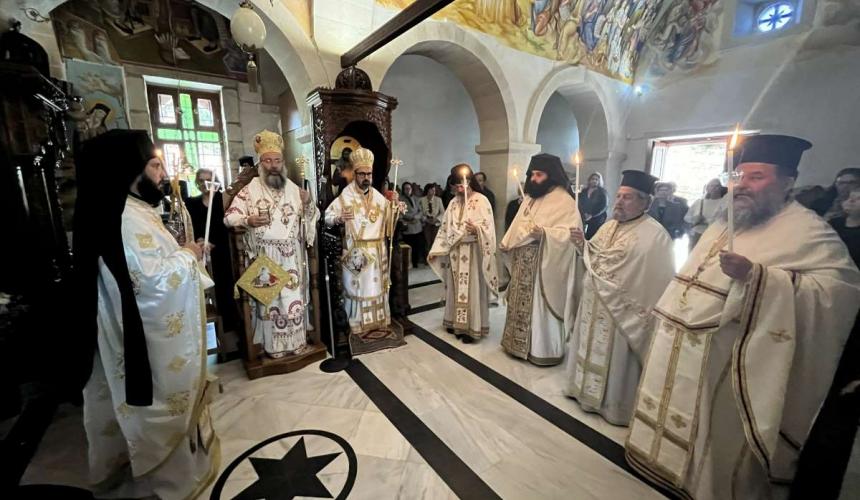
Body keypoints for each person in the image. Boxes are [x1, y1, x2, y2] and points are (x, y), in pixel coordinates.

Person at [625, 135, 860, 500]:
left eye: (757, 176)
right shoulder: (727, 221)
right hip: (683, 341)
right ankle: (662, 467)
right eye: (739, 175)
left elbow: (841, 294)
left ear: (788, 182)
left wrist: (758, 277)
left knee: (716, 436)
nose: (742, 185)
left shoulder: (808, 231)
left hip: (732, 355)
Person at [74, 130, 219, 499]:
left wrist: (186, 253)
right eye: (155, 165)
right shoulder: (124, 218)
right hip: (142, 336)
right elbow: (148, 285)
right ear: (130, 171)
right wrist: (188, 256)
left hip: (137, 326)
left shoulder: (135, 209)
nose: (163, 174)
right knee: (154, 405)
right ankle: (168, 479)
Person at [564, 170, 675, 425]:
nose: (619, 202)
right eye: (618, 196)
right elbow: (595, 256)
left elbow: (649, 279)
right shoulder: (608, 226)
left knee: (615, 358)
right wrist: (582, 245)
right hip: (595, 304)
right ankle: (581, 390)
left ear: (645, 202)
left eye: (627, 197)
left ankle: (612, 405)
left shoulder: (655, 236)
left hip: (620, 311)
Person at [790, 186, 860, 500]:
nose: (850, 199)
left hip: (853, 348)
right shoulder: (831, 229)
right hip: (821, 330)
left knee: (833, 428)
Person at [224, 130, 319, 358]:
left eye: (277, 160)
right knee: (271, 303)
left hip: (293, 257)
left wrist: (308, 203)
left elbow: (312, 216)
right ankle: (273, 348)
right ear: (260, 163)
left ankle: (297, 343)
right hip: (265, 257)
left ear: (282, 163)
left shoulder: (294, 188)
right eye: (268, 161)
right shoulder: (249, 190)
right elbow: (229, 217)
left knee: (293, 300)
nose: (273, 165)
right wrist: (248, 220)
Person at [500, 154, 582, 366]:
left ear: (551, 175)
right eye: (532, 175)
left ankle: (541, 349)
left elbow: (571, 235)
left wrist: (545, 234)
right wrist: (507, 243)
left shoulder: (564, 200)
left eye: (539, 175)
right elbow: (518, 226)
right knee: (520, 303)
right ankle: (515, 344)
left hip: (545, 265)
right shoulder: (530, 198)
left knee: (540, 309)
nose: (534, 179)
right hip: (523, 262)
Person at [324, 147, 403, 351]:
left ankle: (379, 322)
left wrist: (395, 207)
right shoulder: (345, 196)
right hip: (357, 251)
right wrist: (339, 218)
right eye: (362, 174)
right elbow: (327, 216)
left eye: (369, 174)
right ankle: (357, 324)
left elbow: (389, 222)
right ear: (354, 174)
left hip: (377, 250)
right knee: (357, 288)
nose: (366, 178)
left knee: (376, 288)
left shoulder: (377, 196)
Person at [428, 165, 498, 343]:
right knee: (454, 289)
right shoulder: (453, 203)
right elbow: (445, 228)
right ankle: (454, 322)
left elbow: (489, 228)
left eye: (462, 185)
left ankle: (471, 328)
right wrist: (436, 249)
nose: (459, 190)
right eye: (456, 186)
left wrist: (477, 230)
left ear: (469, 182)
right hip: (455, 253)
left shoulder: (482, 201)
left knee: (472, 290)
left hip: (473, 253)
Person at [185, 168, 240, 335]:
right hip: (201, 250)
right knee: (205, 288)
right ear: (197, 183)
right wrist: (200, 241)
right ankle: (212, 327)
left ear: (215, 182)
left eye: (208, 180)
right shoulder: (191, 203)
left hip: (223, 250)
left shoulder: (223, 200)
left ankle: (229, 327)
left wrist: (213, 242)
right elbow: (191, 227)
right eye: (201, 180)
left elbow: (226, 225)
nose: (204, 184)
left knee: (225, 287)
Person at [685, 178, 727, 250]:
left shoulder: (725, 202)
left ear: (720, 188)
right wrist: (695, 218)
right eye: (711, 186)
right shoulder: (699, 202)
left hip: (714, 234)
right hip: (697, 234)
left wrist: (707, 221)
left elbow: (725, 219)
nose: (714, 188)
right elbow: (687, 217)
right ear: (707, 188)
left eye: (717, 186)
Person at [400, 182, 426, 267]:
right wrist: (411, 217)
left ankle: (415, 262)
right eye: (406, 189)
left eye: (409, 188)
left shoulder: (416, 198)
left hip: (417, 225)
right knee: (408, 246)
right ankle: (408, 263)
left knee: (417, 246)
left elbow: (421, 211)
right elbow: (402, 212)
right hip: (408, 224)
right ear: (403, 190)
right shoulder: (400, 200)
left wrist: (416, 217)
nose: (408, 190)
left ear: (411, 189)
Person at [578, 172, 609, 239]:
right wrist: (583, 213)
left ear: (599, 181)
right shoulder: (584, 191)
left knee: (592, 236)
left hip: (597, 218)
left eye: (596, 179)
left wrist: (592, 215)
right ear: (589, 180)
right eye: (593, 179)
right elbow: (579, 202)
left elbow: (604, 206)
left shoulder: (602, 192)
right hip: (584, 216)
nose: (594, 181)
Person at [420, 183, 445, 249]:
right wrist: (426, 219)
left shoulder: (438, 199)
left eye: (434, 190)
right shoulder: (421, 200)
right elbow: (420, 212)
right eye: (432, 190)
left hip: (436, 223)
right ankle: (427, 253)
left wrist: (436, 219)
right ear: (427, 190)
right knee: (427, 242)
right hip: (426, 223)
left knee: (435, 242)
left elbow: (443, 212)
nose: (434, 192)